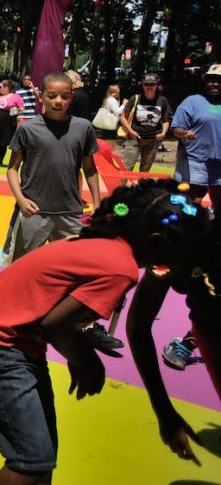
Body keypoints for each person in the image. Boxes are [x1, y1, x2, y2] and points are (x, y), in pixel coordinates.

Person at [0, 178, 208, 484]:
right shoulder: (121, 268)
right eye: (180, 258)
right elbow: (55, 325)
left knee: (40, 457)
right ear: (157, 243)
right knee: (30, 462)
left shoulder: (107, 241)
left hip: (11, 334)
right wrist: (87, 362)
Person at [123, 182, 216, 465]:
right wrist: (164, 411)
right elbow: (138, 325)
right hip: (212, 331)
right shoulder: (170, 250)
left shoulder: (174, 246)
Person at [2, 72, 101, 263]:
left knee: (71, 266)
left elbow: (90, 169)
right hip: (33, 211)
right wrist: (21, 200)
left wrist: (97, 205)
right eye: (52, 96)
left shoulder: (83, 128)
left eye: (65, 96)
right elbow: (12, 168)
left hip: (71, 212)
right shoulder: (27, 129)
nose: (58, 101)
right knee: (24, 266)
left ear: (72, 96)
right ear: (40, 96)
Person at [171, 63, 221, 216]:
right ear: (205, 82)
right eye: (212, 80)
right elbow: (175, 128)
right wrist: (185, 133)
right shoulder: (192, 101)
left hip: (218, 161)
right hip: (194, 160)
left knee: (219, 202)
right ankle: (188, 232)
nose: (216, 84)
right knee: (192, 202)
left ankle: (216, 234)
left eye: (219, 81)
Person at [118, 72, 172, 172]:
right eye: (146, 84)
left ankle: (141, 187)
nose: (149, 86)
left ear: (157, 85)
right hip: (134, 139)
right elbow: (122, 117)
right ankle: (122, 187)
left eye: (152, 84)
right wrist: (130, 131)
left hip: (152, 140)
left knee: (145, 171)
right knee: (125, 168)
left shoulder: (162, 100)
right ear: (142, 85)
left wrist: (163, 133)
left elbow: (166, 120)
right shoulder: (135, 99)